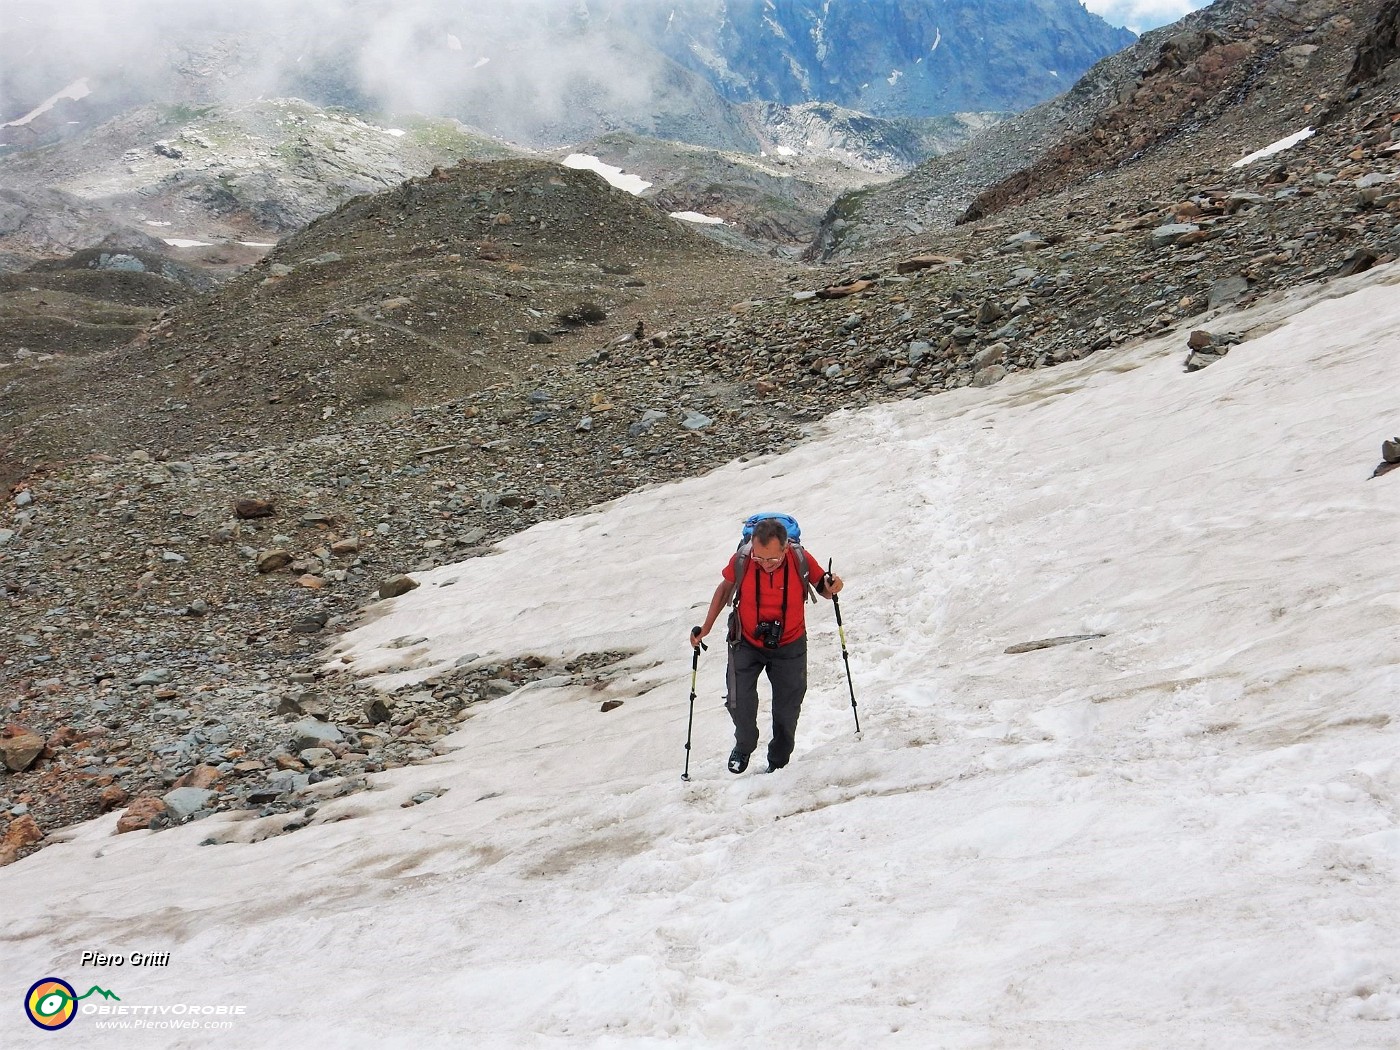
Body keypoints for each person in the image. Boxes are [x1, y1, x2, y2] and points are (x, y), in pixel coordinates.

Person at [689, 518, 843, 774]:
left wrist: (834, 585)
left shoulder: (799, 558)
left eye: (772, 560)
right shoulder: (743, 559)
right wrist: (705, 628)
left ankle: (778, 763)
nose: (765, 565)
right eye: (760, 559)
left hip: (790, 643)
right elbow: (725, 589)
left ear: (785, 548)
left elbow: (824, 589)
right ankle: (744, 744)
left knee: (788, 707)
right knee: (739, 701)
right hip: (746, 640)